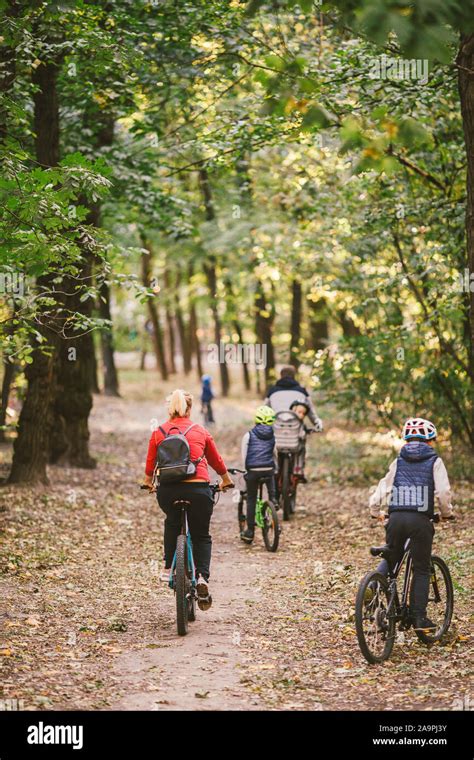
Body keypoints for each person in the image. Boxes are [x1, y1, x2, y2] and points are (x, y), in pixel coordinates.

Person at [143, 389, 233, 610]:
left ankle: (167, 568)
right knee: (201, 535)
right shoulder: (200, 431)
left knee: (172, 522)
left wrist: (148, 482)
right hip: (198, 490)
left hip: (169, 491)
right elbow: (216, 460)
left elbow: (150, 462)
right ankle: (202, 577)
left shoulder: (158, 432)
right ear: (190, 409)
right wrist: (226, 480)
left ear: (169, 409)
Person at [369, 417, 454, 632]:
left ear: (407, 440)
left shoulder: (399, 461)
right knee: (422, 568)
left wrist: (375, 511)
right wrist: (446, 513)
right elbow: (443, 492)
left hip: (395, 517)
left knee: (392, 555)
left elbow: (383, 487)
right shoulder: (435, 460)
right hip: (420, 520)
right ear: (430, 441)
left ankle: (373, 584)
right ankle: (419, 618)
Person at [239, 405, 278, 544]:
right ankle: (274, 500)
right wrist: (275, 468)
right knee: (271, 475)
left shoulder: (249, 435)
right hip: (268, 469)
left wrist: (245, 470)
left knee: (251, 498)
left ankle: (249, 532)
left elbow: (244, 456)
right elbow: (274, 453)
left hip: (253, 470)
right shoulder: (272, 435)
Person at [289, 399, 322, 483]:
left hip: (288, 445)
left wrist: (311, 430)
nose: (301, 415)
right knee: (301, 450)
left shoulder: (289, 421)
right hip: (291, 444)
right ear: (293, 410)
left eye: (303, 413)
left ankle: (296, 470)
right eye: (299, 412)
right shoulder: (295, 422)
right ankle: (298, 470)